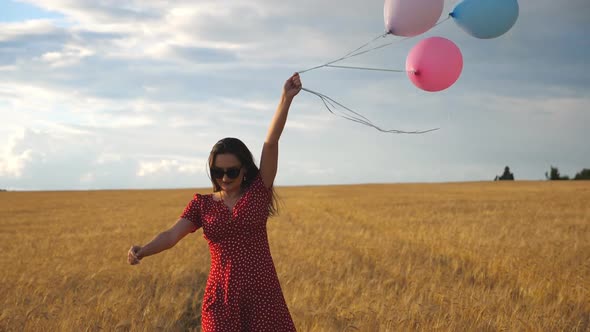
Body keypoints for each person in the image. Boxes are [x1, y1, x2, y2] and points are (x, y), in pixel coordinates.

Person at [127, 73, 302, 331]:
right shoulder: (201, 204)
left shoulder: (258, 190)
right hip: (220, 299)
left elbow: (271, 142)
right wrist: (143, 250)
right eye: (218, 172)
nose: (224, 177)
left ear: (244, 169)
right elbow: (172, 235)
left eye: (231, 171)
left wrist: (285, 99)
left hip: (262, 296)